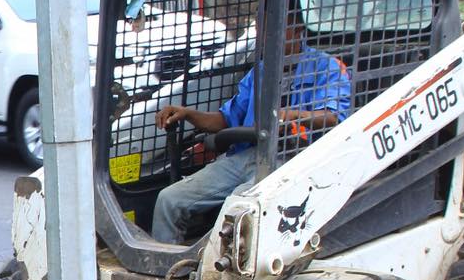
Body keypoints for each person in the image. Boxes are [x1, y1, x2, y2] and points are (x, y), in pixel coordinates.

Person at [150, 15, 351, 245]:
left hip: (292, 159)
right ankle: (167, 272)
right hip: (247, 154)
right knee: (169, 200)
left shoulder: (326, 68)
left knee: (238, 208)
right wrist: (187, 113)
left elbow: (332, 117)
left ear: (297, 30)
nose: (263, 38)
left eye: (271, 30)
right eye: (260, 30)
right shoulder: (261, 71)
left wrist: (292, 115)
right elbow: (225, 120)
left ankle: (218, 275)